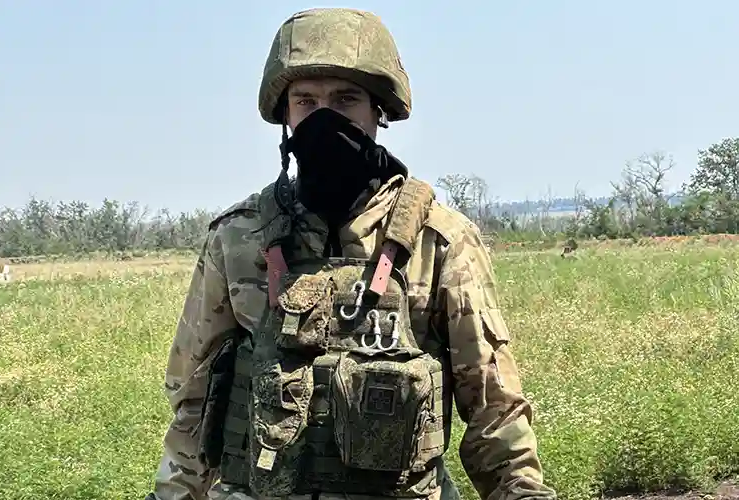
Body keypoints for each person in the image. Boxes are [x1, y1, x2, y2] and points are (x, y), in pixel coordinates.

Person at [144, 7, 556, 500]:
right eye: (306, 101)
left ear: (379, 111)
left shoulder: (440, 240)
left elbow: (494, 408)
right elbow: (194, 404)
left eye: (346, 100)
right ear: (285, 115)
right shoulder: (238, 238)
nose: (324, 118)